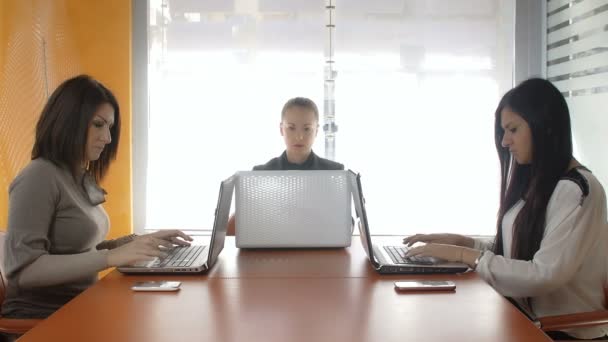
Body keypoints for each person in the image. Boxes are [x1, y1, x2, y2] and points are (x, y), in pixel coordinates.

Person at [403, 78, 608, 340]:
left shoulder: (578, 189)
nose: (505, 142)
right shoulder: (540, 182)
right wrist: (466, 244)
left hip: (561, 332)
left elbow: (543, 275)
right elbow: (521, 253)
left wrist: (465, 256)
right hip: (523, 319)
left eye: (512, 129)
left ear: (543, 126)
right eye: (503, 131)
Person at [1, 75, 192, 324]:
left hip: (82, 305)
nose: (108, 138)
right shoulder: (38, 177)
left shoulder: (77, 174)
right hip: (42, 317)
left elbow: (82, 251)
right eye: (98, 125)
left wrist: (138, 242)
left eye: (110, 127)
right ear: (69, 123)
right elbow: (24, 271)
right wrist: (112, 258)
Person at [253, 97, 344, 171]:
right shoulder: (262, 173)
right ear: (281, 129)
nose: (299, 137)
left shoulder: (334, 172)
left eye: (307, 129)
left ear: (316, 131)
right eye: (291, 128)